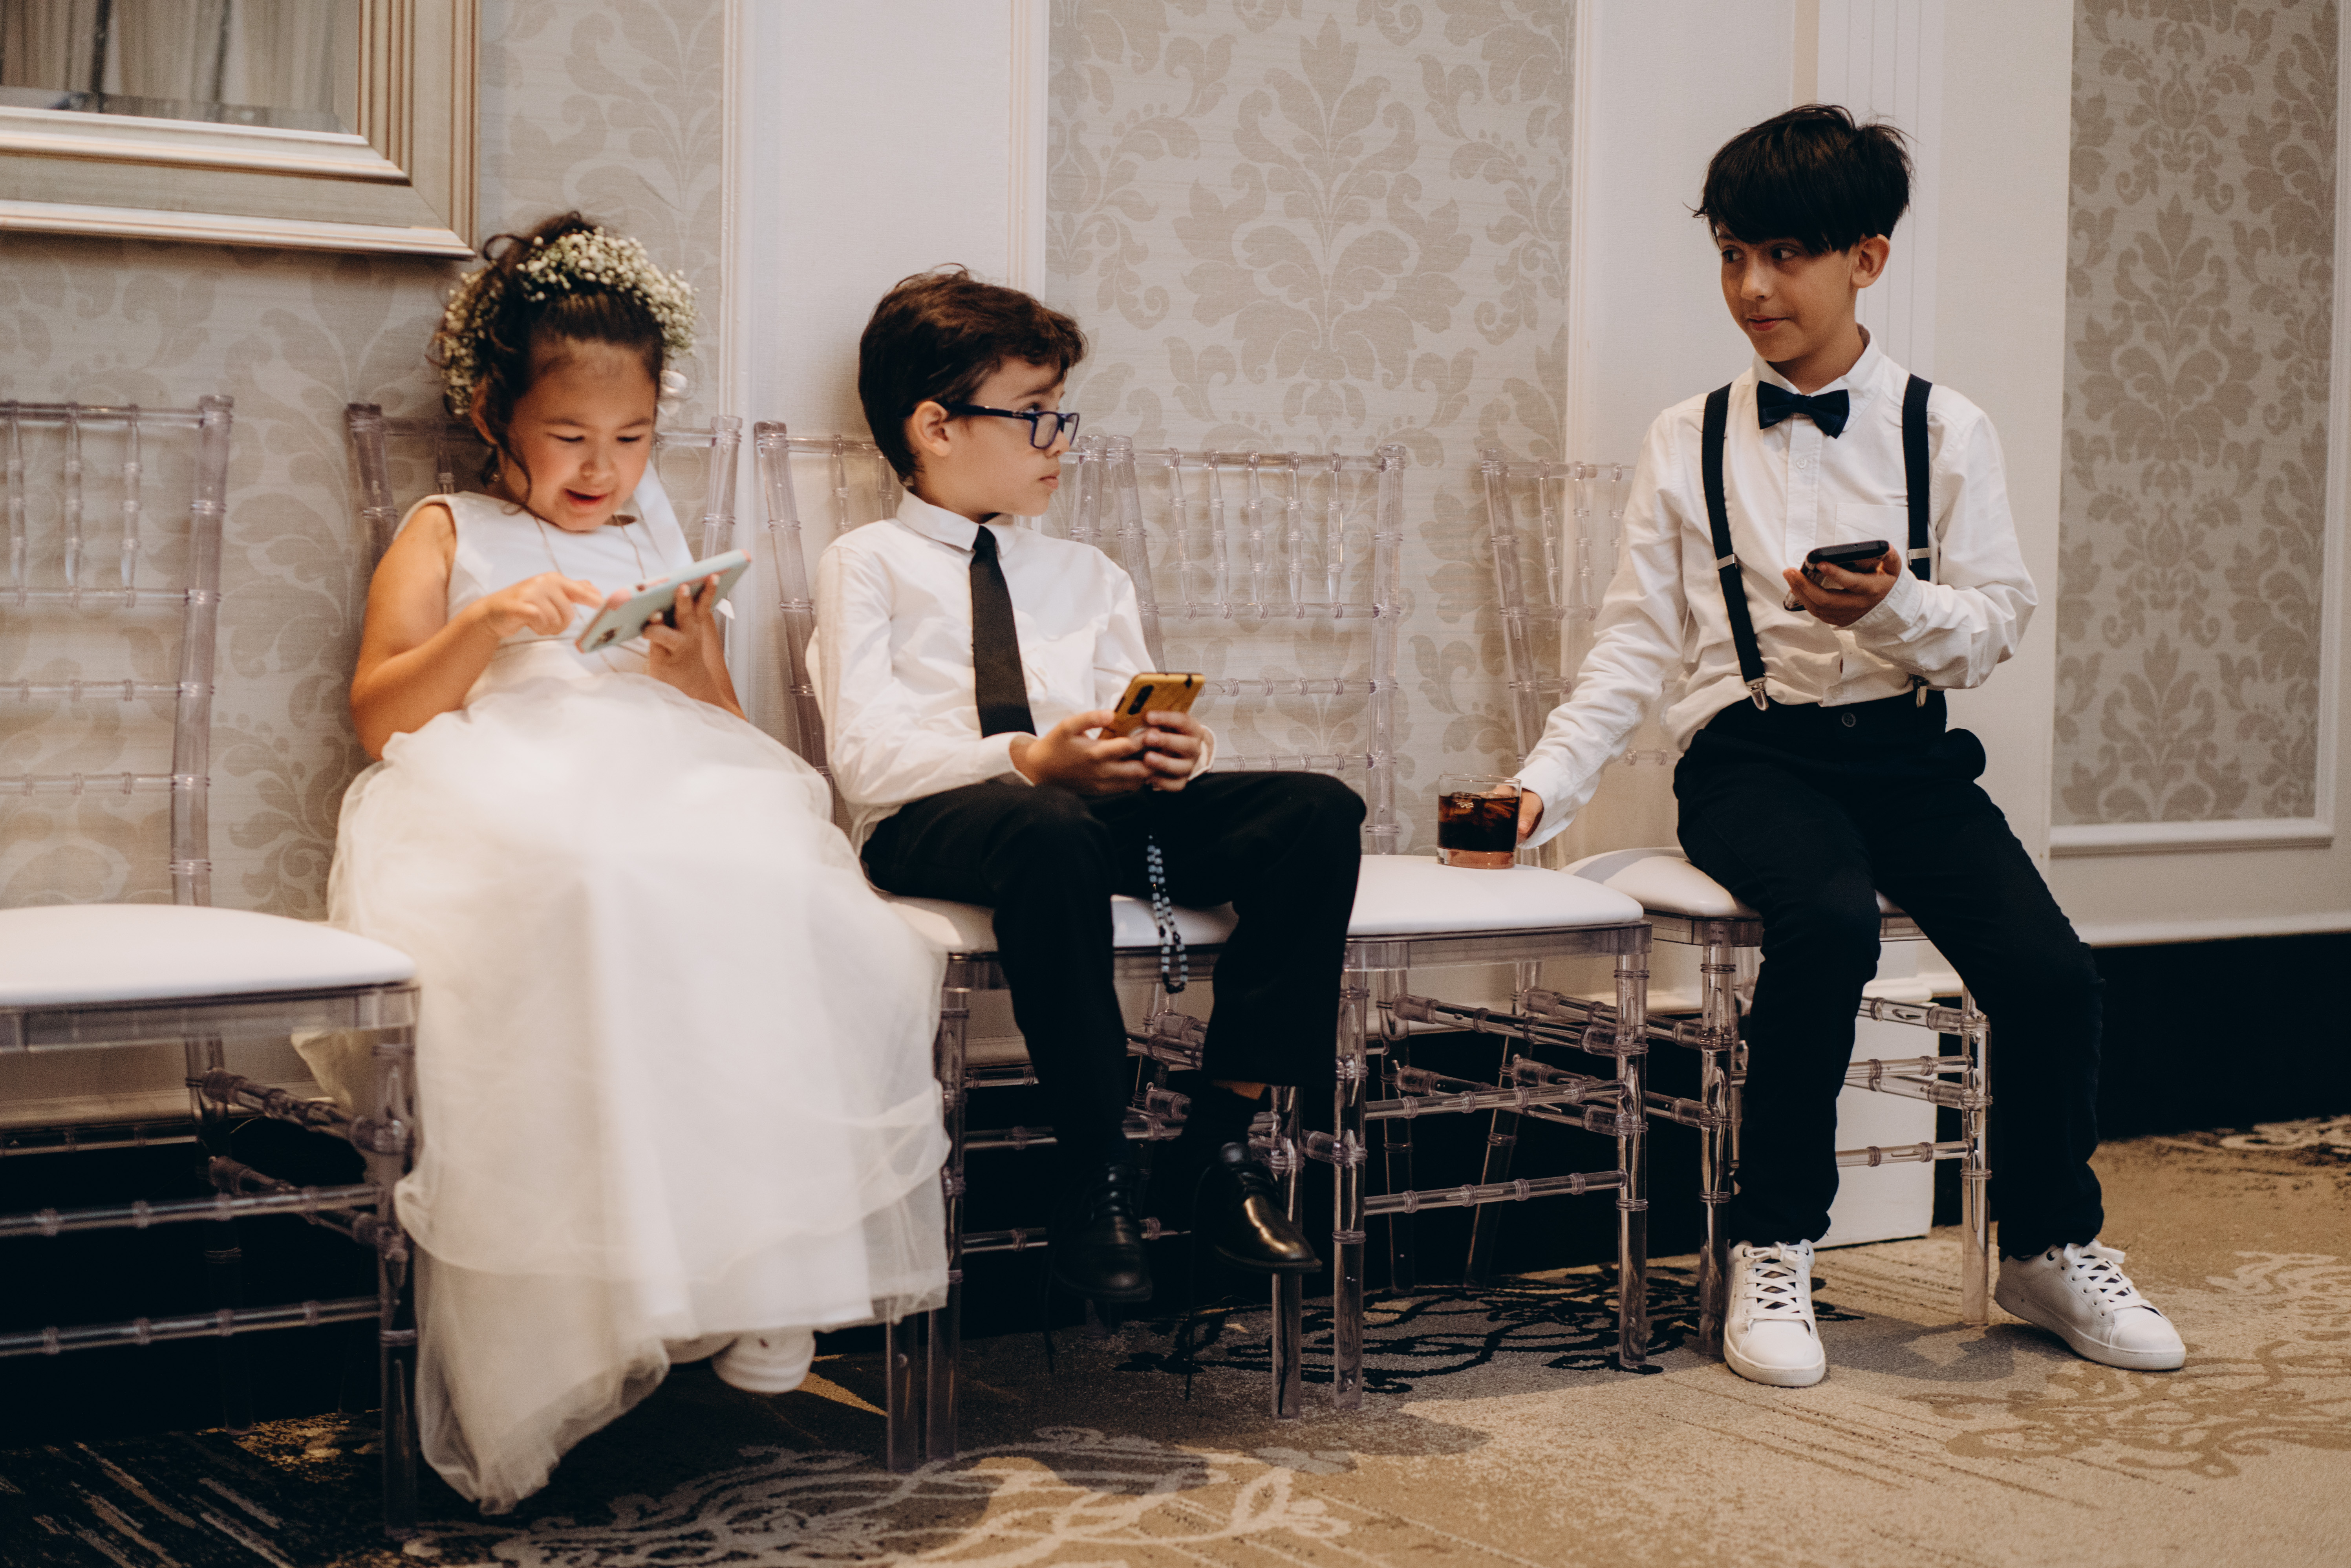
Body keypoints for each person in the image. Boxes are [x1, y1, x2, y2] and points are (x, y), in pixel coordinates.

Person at [1512, 107, 2184, 1389]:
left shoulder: (1946, 429)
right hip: (1750, 758)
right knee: (1823, 922)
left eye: (1783, 255)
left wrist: (1891, 607)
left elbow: (1991, 629)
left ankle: (2045, 1245)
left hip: (1908, 757)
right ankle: (1771, 1241)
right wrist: (1536, 790)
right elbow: (1632, 646)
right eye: (1730, 255)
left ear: (1864, 259)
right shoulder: (1684, 437)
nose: (1751, 288)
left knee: (2050, 974)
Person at [329, 213, 949, 1511]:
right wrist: (491, 621)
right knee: (603, 877)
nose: (601, 468)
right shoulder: (447, 527)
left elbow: (725, 721)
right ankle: (619, 1293)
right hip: (498, 781)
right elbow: (382, 716)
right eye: (569, 438)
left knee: (779, 875)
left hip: (667, 770)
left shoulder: (648, 539)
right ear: (494, 414)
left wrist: (687, 661)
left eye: (631, 440)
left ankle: (772, 1274)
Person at [813, 267, 1364, 1306]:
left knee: (1316, 811)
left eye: (1060, 414)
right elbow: (864, 761)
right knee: (1047, 823)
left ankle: (1218, 1144)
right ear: (935, 426)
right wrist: (1028, 759)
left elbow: (1127, 716)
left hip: (1087, 817)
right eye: (1032, 415)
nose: (1058, 441)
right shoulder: (869, 563)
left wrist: (1174, 751)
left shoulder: (1089, 573)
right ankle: (1095, 1166)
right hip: (943, 823)